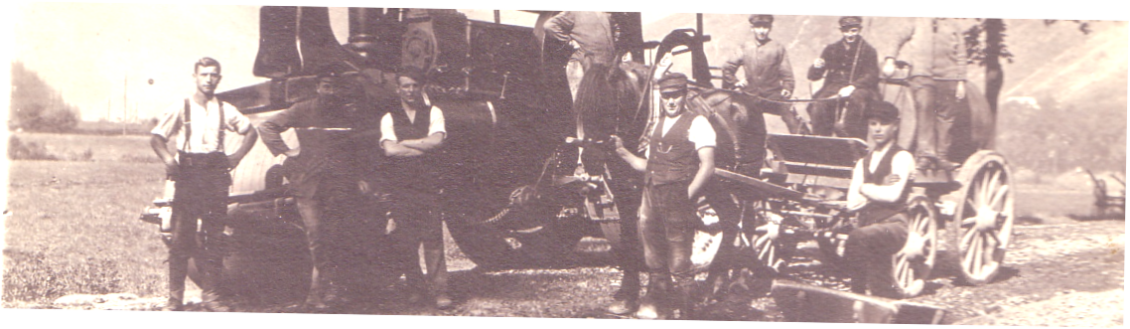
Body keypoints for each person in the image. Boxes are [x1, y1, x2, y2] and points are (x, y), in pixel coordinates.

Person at [258, 62, 379, 311]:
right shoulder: (302, 109)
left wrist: (359, 177)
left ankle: (329, 292)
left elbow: (353, 149)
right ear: (317, 87)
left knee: (335, 237)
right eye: (326, 86)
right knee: (316, 237)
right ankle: (317, 294)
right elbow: (266, 127)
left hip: (338, 186)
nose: (330, 91)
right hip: (308, 185)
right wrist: (288, 151)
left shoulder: (345, 114)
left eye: (334, 87)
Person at [151, 57, 259, 313]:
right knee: (181, 238)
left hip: (215, 175)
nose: (209, 79)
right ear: (195, 77)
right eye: (204, 75)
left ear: (219, 79)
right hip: (189, 175)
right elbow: (156, 138)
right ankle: (174, 300)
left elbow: (251, 131)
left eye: (214, 75)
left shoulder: (225, 108)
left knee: (214, 237)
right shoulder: (182, 106)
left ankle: (210, 296)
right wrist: (169, 160)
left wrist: (237, 156)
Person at [610, 73, 716, 321]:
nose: (670, 101)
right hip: (651, 197)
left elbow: (707, 166)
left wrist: (686, 195)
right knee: (653, 258)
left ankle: (689, 315)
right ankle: (661, 309)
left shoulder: (698, 123)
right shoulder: (657, 125)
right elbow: (645, 165)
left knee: (679, 262)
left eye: (675, 96)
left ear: (685, 95)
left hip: (676, 198)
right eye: (666, 96)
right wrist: (621, 151)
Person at [379, 66, 452, 310]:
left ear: (421, 88)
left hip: (428, 185)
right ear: (398, 88)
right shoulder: (389, 117)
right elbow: (390, 149)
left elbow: (437, 142)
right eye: (406, 86)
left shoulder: (434, 112)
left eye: (414, 85)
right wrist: (422, 147)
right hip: (400, 187)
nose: (410, 90)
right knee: (406, 241)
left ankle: (440, 291)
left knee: (433, 239)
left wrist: (407, 143)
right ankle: (415, 288)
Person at [842, 101, 914, 299]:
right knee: (880, 283)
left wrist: (865, 187)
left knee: (857, 238)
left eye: (884, 123)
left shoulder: (902, 158)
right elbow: (852, 203)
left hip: (895, 226)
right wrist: (878, 188)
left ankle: (856, 296)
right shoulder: (862, 162)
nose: (878, 129)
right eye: (873, 124)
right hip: (870, 226)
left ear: (895, 125)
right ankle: (869, 304)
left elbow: (893, 196)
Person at [881, 16, 969, 171]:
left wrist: (961, 80)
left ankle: (942, 156)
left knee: (946, 116)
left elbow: (961, 54)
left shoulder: (954, 26)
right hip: (922, 75)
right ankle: (926, 155)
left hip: (948, 77)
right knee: (924, 109)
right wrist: (890, 60)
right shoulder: (916, 20)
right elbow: (897, 37)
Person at [722, 13, 804, 134]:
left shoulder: (777, 48)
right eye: (758, 27)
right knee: (742, 123)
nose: (761, 31)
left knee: (791, 116)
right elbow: (727, 68)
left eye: (765, 27)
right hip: (749, 95)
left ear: (770, 28)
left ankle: (798, 146)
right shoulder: (744, 48)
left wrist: (787, 88)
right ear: (752, 28)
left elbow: (788, 76)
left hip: (773, 95)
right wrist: (736, 83)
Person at [806, 15, 881, 139]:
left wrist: (853, 86)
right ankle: (821, 140)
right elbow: (813, 76)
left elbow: (872, 75)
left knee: (857, 101)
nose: (850, 35)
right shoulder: (831, 49)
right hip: (834, 87)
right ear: (841, 31)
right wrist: (816, 67)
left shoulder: (868, 50)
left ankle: (851, 139)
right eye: (846, 31)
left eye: (853, 31)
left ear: (859, 30)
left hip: (860, 88)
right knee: (819, 104)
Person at [544, 10, 617, 101]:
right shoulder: (574, 11)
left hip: (605, 67)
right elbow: (549, 25)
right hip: (585, 66)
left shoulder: (603, 13)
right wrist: (569, 41)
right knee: (585, 104)